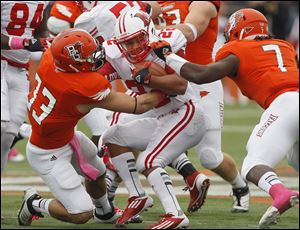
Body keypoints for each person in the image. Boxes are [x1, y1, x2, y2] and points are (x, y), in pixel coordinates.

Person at [150, 8, 299, 229]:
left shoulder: (237, 49)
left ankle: (281, 193)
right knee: (295, 158)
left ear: (238, 30)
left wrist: (167, 56)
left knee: (253, 164)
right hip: (293, 98)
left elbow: (202, 74)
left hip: (285, 104)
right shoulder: (284, 46)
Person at [17, 28, 166, 226]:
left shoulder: (49, 58)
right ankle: (34, 203)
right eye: (88, 56)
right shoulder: (83, 86)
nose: (95, 56)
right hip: (46, 154)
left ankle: (104, 212)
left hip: (67, 137)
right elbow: (138, 105)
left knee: (97, 171)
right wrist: (171, 87)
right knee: (81, 213)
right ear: (74, 64)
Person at [74, 1, 210, 217]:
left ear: (148, 32)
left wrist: (151, 77)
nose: (135, 47)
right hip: (158, 112)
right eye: (128, 43)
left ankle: (175, 214)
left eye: (138, 40)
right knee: (111, 136)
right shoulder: (113, 50)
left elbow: (181, 84)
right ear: (119, 42)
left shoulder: (164, 43)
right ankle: (138, 195)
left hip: (183, 110)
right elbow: (100, 75)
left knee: (147, 160)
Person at [151, 0, 250, 213]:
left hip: (200, 81)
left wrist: (143, 30)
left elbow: (188, 31)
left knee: (209, 156)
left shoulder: (202, 3)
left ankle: (240, 186)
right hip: (167, 82)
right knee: (143, 138)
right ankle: (116, 196)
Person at [1, 0, 51, 176]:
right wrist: (24, 43)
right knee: (1, 124)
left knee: (8, 135)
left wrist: (50, 42)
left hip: (20, 70)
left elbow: (40, 30)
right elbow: (27, 41)